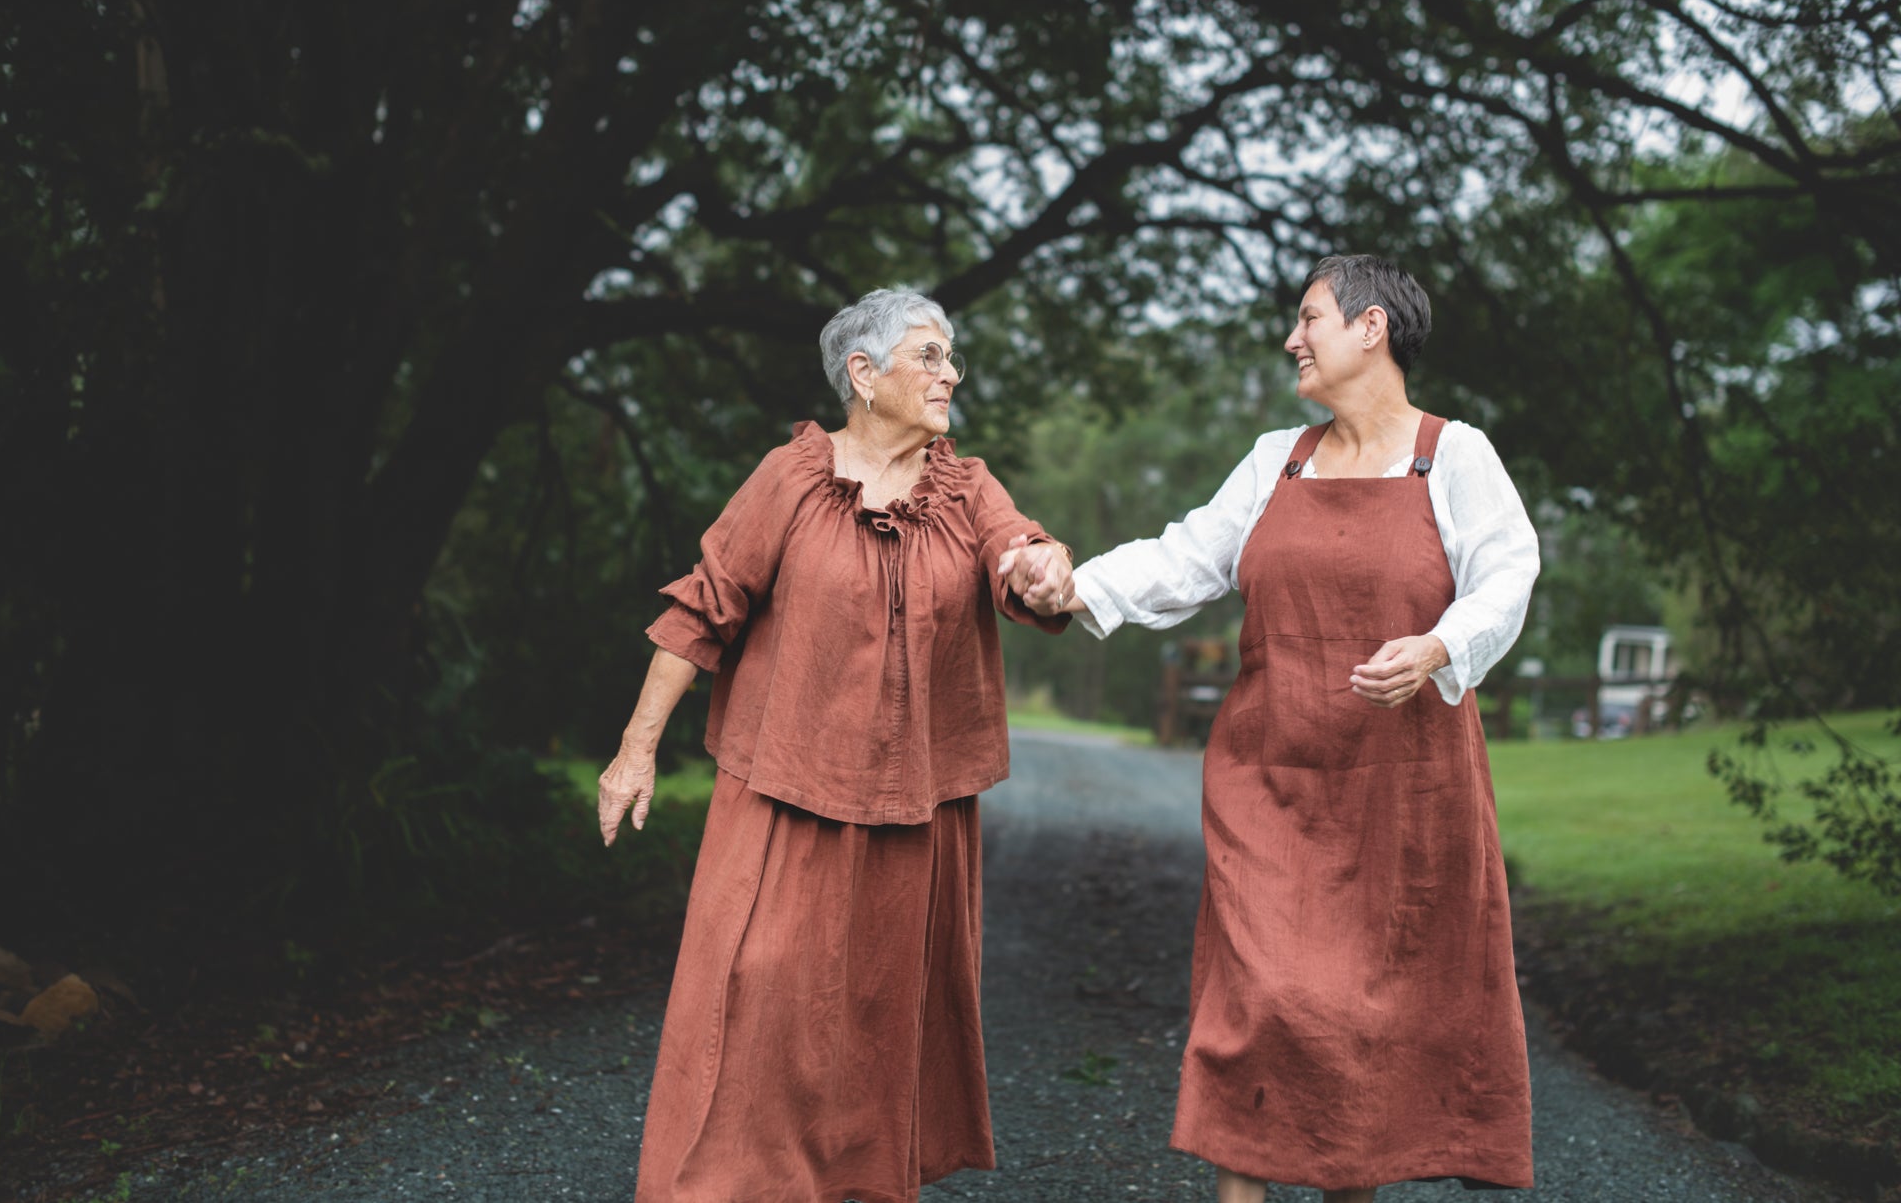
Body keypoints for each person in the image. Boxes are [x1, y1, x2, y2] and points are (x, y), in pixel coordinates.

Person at [1025, 255, 1539, 1202]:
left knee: (1360, 1024)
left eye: (1310, 318)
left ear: (1372, 327)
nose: (1293, 339)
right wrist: (1077, 583)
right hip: (1271, 784)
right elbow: (1186, 558)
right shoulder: (1279, 458)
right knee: (1260, 1001)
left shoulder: (1454, 454)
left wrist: (1437, 646)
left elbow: (1509, 574)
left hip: (1402, 798)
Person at [597, 287, 1076, 1203]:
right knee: (753, 1003)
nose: (950, 374)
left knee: (874, 1024)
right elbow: (703, 606)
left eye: (952, 356)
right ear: (864, 373)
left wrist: (1041, 563)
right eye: (929, 356)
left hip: (915, 815)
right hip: (781, 794)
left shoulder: (966, 486)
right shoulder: (792, 476)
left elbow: (1017, 552)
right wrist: (635, 750)